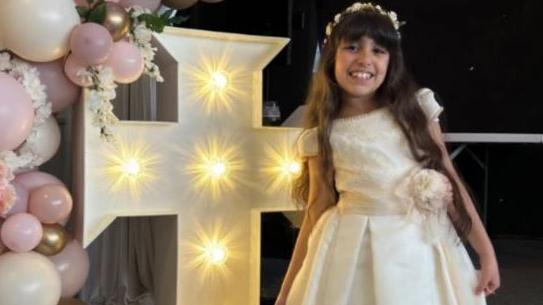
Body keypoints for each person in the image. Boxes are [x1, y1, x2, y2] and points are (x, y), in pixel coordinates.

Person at [274, 2, 500, 305]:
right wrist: (288, 291)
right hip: (352, 249)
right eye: (352, 47)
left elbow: (451, 182)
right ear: (332, 56)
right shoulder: (323, 133)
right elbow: (317, 208)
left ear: (391, 60)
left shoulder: (417, 109)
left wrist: (486, 254)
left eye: (378, 51)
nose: (365, 59)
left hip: (420, 249)